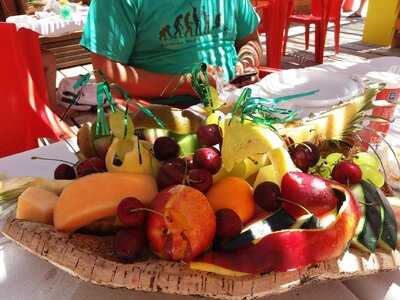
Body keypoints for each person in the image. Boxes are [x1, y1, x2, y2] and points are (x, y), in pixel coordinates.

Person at [81, 0, 263, 106]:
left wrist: (245, 64)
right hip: (158, 116)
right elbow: (107, 76)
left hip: (234, 102)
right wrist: (185, 84)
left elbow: (250, 41)